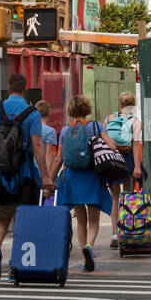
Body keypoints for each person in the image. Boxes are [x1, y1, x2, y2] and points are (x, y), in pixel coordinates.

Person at [0, 73, 51, 280]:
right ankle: (18, 262)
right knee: (24, 217)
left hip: (1, 174)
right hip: (24, 174)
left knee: (2, 215)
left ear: (8, 89)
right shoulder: (32, 113)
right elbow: (37, 146)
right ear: (25, 89)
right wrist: (45, 176)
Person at [48, 95, 116, 271]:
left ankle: (83, 248)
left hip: (72, 177)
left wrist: (48, 179)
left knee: (80, 219)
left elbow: (58, 159)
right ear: (87, 109)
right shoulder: (96, 126)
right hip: (92, 176)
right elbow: (112, 147)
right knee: (94, 219)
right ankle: (89, 248)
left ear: (71, 110)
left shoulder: (65, 131)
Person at [104, 91, 145, 248]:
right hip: (127, 160)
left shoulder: (108, 119)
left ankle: (115, 233)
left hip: (112, 161)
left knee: (115, 198)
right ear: (133, 106)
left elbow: (103, 140)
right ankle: (127, 230)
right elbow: (135, 144)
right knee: (128, 196)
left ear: (120, 105)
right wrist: (137, 166)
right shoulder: (135, 121)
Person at [36, 100, 59, 176]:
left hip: (34, 168)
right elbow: (48, 154)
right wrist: (48, 175)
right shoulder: (50, 131)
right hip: (44, 169)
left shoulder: (32, 129)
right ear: (48, 113)